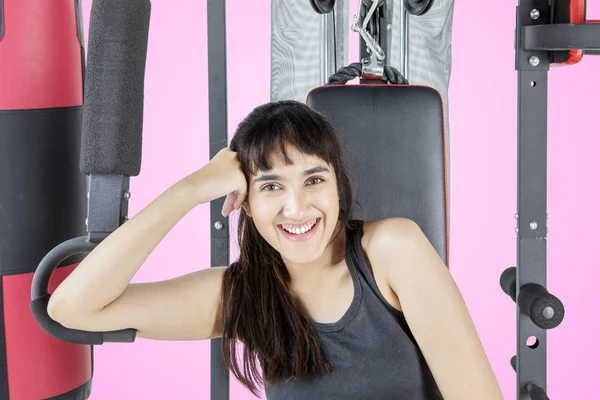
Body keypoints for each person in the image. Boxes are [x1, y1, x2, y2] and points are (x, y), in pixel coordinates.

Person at [47, 100, 503, 399]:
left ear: (338, 186)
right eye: (270, 186)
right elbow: (72, 307)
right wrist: (190, 189)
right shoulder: (243, 296)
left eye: (314, 179)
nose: (296, 207)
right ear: (244, 200)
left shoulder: (391, 250)